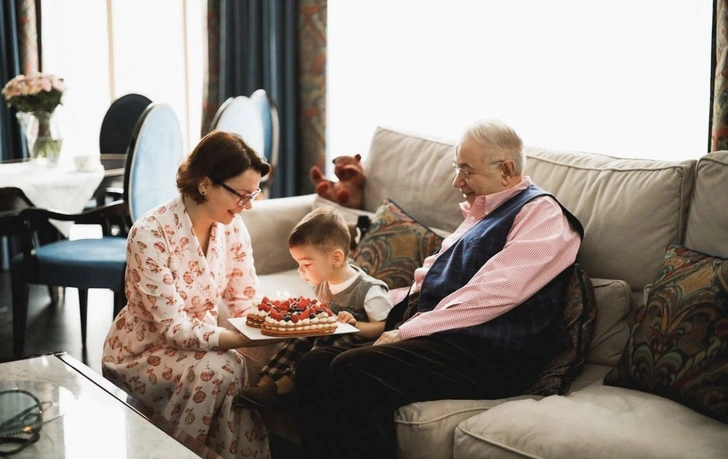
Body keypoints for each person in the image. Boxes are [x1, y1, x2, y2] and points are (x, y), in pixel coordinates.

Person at [293, 119, 585, 459]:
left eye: (466, 170)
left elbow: (496, 292)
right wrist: (367, 303)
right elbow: (427, 284)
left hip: (492, 354)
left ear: (506, 169)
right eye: (456, 168)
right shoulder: (478, 215)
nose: (456, 181)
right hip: (446, 339)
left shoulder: (543, 214)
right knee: (314, 365)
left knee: (352, 368)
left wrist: (406, 331)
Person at [102, 130, 274, 459]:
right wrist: (239, 340)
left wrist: (275, 325)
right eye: (241, 195)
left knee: (227, 367)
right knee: (221, 369)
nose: (247, 206)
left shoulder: (233, 226)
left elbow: (244, 300)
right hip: (144, 350)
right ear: (205, 183)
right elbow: (172, 328)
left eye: (253, 195)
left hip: (203, 343)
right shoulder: (150, 233)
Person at [236, 206, 393, 408]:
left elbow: (387, 327)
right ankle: (266, 383)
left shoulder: (369, 290)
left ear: (335, 258)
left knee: (326, 340)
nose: (301, 271)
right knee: (300, 337)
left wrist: (356, 325)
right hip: (330, 333)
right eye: (298, 264)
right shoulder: (322, 284)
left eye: (306, 264)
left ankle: (284, 387)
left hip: (356, 344)